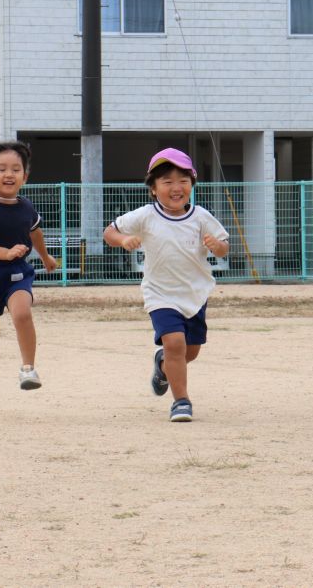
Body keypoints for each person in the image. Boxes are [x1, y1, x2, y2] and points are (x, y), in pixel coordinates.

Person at [103, 148, 229, 422]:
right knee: (175, 343)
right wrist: (124, 240)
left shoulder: (200, 217)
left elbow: (223, 248)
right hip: (160, 293)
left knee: (189, 352)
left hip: (194, 294)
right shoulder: (146, 215)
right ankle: (181, 401)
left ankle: (162, 365)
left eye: (183, 181)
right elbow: (109, 232)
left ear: (192, 185)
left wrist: (216, 245)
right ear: (153, 188)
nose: (176, 187)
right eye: (167, 181)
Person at [0, 141, 57, 408]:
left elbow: (34, 232)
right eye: (1, 168)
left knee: (23, 314)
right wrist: (4, 253)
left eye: (16, 169)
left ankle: (28, 368)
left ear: (24, 177)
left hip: (18, 272)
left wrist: (45, 256)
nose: (9, 174)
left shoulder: (26, 207)